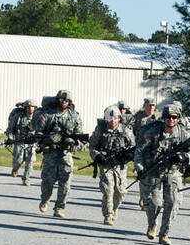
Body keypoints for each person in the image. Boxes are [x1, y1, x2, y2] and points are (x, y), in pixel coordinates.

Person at [136, 102, 190, 244]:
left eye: (174, 117)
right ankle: (152, 224)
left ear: (178, 118)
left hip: (173, 173)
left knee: (173, 203)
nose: (170, 120)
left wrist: (184, 158)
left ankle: (164, 234)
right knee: (154, 203)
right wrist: (140, 168)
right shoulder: (153, 132)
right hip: (154, 172)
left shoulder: (183, 133)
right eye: (167, 117)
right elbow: (139, 151)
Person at [35, 89, 85, 217]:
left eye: (67, 100)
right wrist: (48, 140)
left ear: (70, 102)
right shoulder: (47, 115)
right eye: (62, 99)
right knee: (47, 181)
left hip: (66, 154)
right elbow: (38, 133)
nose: (64, 102)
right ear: (58, 100)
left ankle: (59, 208)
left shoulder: (74, 116)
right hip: (50, 153)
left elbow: (79, 135)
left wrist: (72, 141)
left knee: (66, 182)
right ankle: (45, 199)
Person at [90, 105, 135, 225]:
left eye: (115, 118)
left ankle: (115, 208)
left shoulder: (126, 130)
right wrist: (97, 156)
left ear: (119, 118)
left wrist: (127, 156)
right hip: (105, 164)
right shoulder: (100, 130)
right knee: (108, 189)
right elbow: (92, 146)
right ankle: (108, 215)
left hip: (120, 165)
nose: (113, 121)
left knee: (120, 191)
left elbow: (134, 148)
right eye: (110, 119)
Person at [8, 100, 37, 184]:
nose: (30, 109)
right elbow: (10, 129)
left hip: (31, 143)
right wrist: (10, 138)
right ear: (25, 108)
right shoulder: (18, 117)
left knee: (30, 161)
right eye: (28, 107)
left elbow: (41, 129)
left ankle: (26, 179)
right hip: (19, 141)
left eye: (32, 107)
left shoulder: (38, 117)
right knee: (18, 160)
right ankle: (15, 169)